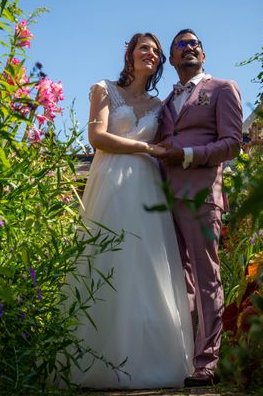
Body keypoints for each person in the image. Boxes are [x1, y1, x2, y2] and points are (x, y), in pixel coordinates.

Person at [63, 32, 194, 389]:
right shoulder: (103, 89)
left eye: (155, 51)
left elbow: (170, 143)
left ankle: (150, 360)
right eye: (143, 48)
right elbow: (98, 138)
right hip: (112, 182)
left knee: (148, 265)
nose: (149, 54)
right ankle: (97, 358)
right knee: (109, 260)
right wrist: (146, 149)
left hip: (149, 188)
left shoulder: (158, 105)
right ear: (130, 54)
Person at [157, 29, 243, 387]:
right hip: (160, 201)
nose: (189, 48)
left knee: (207, 278)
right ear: (172, 59)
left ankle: (206, 364)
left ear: (203, 56)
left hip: (200, 195)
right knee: (180, 282)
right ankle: (184, 357)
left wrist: (188, 155)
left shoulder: (222, 89)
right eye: (181, 45)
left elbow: (232, 144)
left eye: (195, 44)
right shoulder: (164, 105)